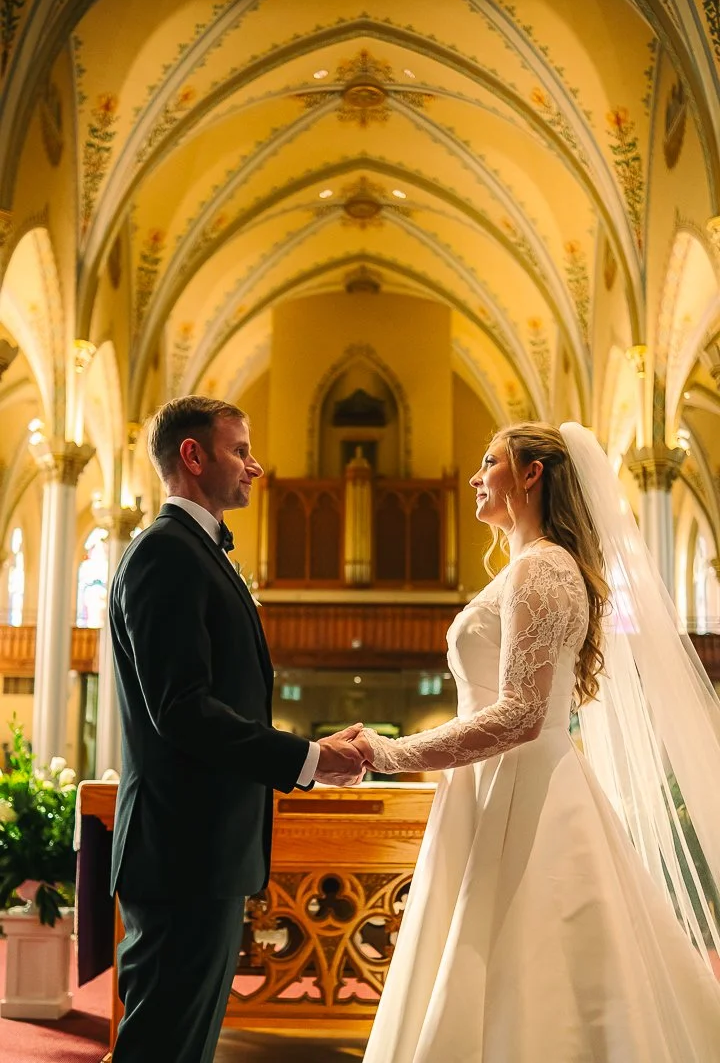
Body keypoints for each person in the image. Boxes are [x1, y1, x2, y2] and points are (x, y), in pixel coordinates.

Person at [355, 421, 720, 1063]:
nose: (474, 477)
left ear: (531, 474)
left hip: (521, 788)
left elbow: (521, 716)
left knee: (527, 970)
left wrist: (390, 753)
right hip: (499, 782)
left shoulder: (543, 568)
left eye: (490, 461)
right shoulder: (535, 567)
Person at [108, 395, 364, 1063]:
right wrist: (307, 757)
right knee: (162, 1047)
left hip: (202, 852)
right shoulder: (167, 554)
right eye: (240, 450)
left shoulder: (197, 551)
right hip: (180, 853)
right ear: (192, 456)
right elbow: (184, 709)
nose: (256, 466)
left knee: (183, 1047)